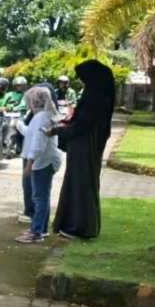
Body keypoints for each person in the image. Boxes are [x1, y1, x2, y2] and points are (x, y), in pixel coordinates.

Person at [46, 59, 116, 240]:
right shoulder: (99, 95)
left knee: (81, 185)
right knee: (79, 183)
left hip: (84, 145)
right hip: (85, 145)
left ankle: (80, 227)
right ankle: (75, 224)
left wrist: (55, 130)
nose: (80, 80)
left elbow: (81, 125)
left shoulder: (95, 97)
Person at [15, 87, 63, 243]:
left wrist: (29, 163)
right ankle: (41, 229)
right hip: (44, 161)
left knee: (39, 198)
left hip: (43, 162)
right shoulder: (41, 115)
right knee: (42, 196)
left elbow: (38, 143)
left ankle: (36, 233)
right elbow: (32, 133)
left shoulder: (42, 117)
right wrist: (19, 125)